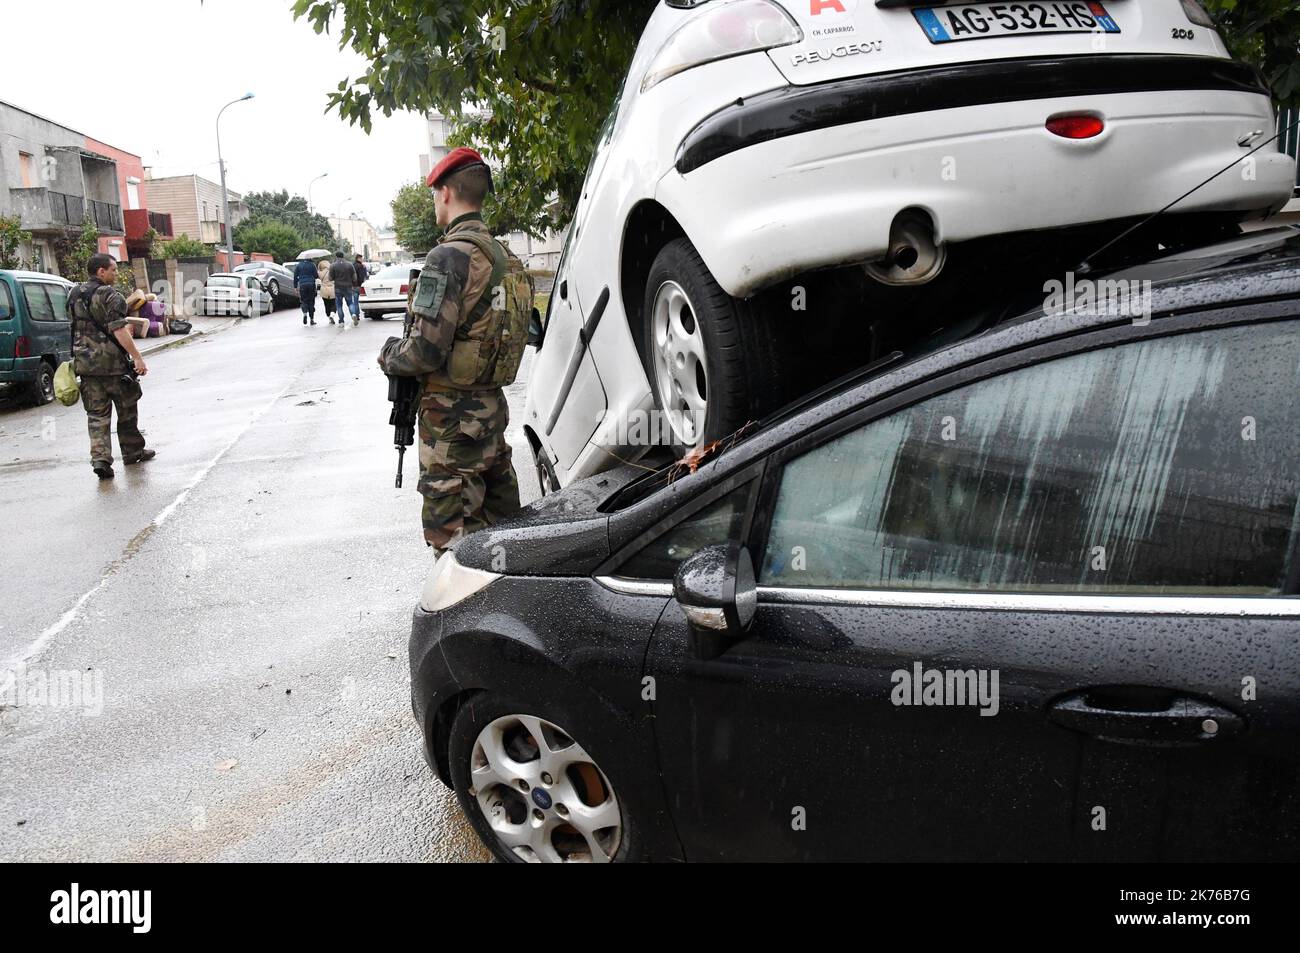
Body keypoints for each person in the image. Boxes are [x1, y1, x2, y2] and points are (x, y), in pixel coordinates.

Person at [378, 147, 534, 554]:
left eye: (434, 195)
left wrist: (388, 354)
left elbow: (423, 352)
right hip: (491, 419)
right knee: (502, 540)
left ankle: (464, 616)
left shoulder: (448, 257)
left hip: (450, 428)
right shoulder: (508, 259)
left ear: (445, 193)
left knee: (456, 549)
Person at [70, 254, 154, 480]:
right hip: (113, 364)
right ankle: (132, 452)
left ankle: (100, 460)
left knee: (96, 415)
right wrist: (137, 357)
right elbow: (119, 330)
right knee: (126, 409)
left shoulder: (73, 294)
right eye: (114, 270)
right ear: (101, 271)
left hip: (85, 365)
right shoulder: (111, 296)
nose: (116, 274)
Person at [329, 251, 356, 326]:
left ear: (336, 256)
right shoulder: (349, 264)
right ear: (343, 256)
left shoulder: (333, 265)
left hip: (338, 287)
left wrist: (335, 276)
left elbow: (330, 278)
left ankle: (341, 321)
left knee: (339, 305)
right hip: (348, 286)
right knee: (350, 303)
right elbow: (354, 278)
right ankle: (353, 314)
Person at [294, 257, 319, 325]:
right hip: (311, 285)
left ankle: (305, 313)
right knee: (311, 301)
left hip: (302, 285)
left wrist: (295, 287)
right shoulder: (312, 265)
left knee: (304, 301)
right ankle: (312, 320)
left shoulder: (299, 265)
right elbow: (316, 276)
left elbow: (295, 276)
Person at [318, 258, 336, 324]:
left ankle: (329, 317)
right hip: (332, 289)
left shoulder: (319, 273)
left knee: (326, 304)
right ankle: (332, 315)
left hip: (324, 289)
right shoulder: (331, 271)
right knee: (333, 303)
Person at [352, 255, 369, 320]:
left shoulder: (352, 265)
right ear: (358, 258)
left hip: (353, 286)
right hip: (360, 286)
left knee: (355, 301)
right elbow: (363, 276)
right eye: (361, 258)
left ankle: (356, 315)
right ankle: (367, 312)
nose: (362, 259)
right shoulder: (361, 266)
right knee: (365, 299)